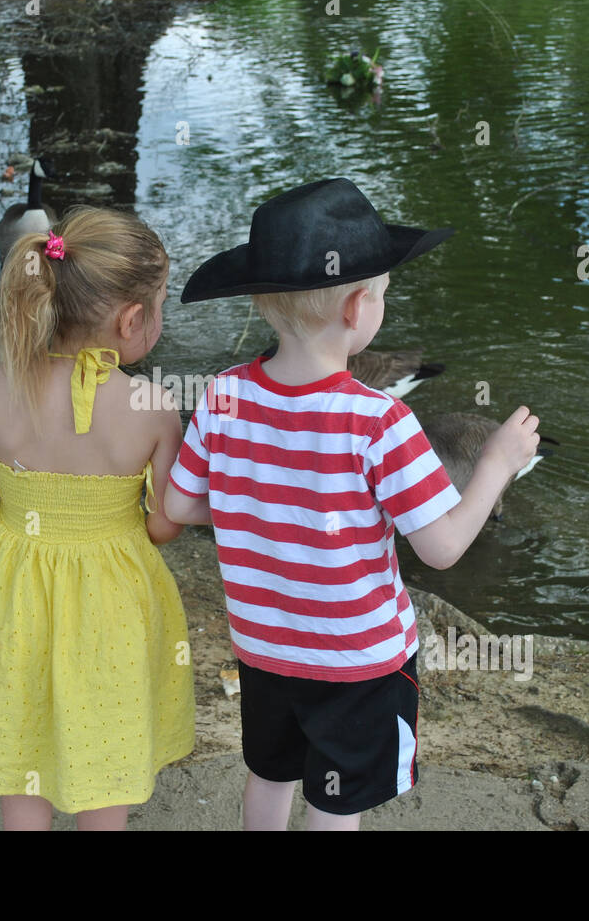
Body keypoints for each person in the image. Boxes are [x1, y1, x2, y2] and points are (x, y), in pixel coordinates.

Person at [164, 178, 541, 830]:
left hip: (264, 648)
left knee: (271, 771)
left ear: (261, 302)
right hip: (357, 662)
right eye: (385, 295)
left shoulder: (223, 396)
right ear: (357, 309)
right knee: (338, 802)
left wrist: (263, 514)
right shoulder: (381, 421)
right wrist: (496, 463)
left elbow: (180, 502)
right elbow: (443, 547)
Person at [0, 207, 195, 831]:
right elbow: (164, 524)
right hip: (113, 597)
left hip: (14, 583)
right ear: (133, 319)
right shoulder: (153, 407)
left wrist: (16, 490)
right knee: (105, 729)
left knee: (23, 730)